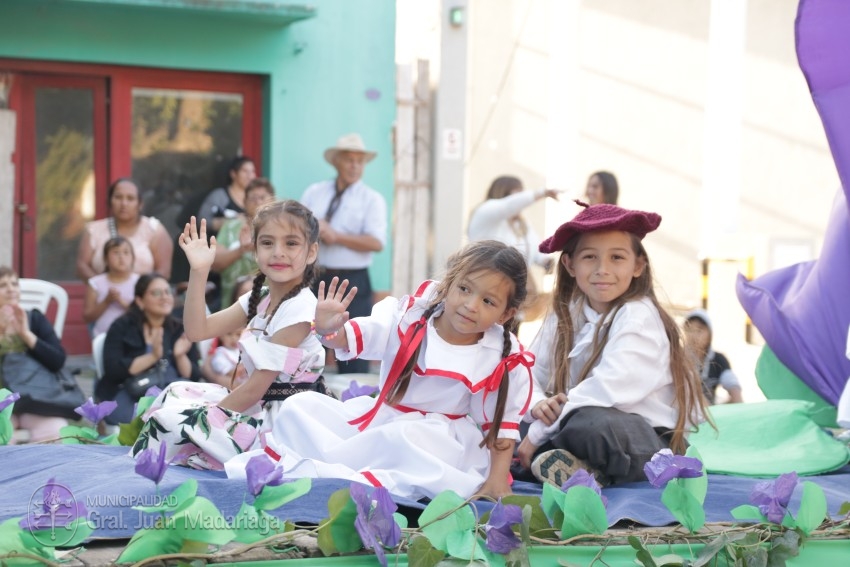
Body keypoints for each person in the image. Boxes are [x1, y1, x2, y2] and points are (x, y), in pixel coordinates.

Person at [233, 240, 534, 501]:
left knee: (406, 438)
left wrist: (497, 479)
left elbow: (499, 424)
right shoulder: (408, 317)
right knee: (300, 406)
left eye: (488, 301)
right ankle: (339, 466)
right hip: (380, 418)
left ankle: (361, 480)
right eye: (464, 289)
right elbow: (356, 336)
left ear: (505, 314)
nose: (470, 305)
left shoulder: (498, 355)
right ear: (449, 283)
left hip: (436, 441)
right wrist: (328, 329)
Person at [517, 202, 709, 488]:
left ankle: (548, 459)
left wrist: (537, 433)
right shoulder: (565, 313)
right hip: (568, 421)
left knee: (591, 424)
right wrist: (537, 406)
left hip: (642, 440)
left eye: (617, 257)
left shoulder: (639, 316)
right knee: (509, 419)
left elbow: (606, 388)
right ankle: (576, 468)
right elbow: (529, 373)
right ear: (569, 264)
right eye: (590, 257)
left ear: (638, 266)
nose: (602, 269)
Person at [130, 201, 327, 471]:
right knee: (174, 392)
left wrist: (204, 418)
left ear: (311, 251)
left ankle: (143, 475)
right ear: (255, 250)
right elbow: (197, 330)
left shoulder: (300, 309)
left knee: (172, 422)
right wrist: (199, 271)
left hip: (281, 424)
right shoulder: (261, 297)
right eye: (267, 243)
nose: (278, 252)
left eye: (291, 243)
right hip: (256, 405)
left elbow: (256, 388)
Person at [301, 133, 387, 374]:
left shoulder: (372, 199)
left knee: (353, 345)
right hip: (316, 277)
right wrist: (316, 231)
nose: (355, 166)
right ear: (337, 162)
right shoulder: (315, 192)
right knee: (307, 346)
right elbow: (298, 229)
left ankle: (354, 392)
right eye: (349, 160)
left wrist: (337, 236)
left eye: (360, 161)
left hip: (353, 281)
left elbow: (376, 242)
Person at [96, 273, 202, 425]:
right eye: (156, 293)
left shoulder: (180, 329)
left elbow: (195, 376)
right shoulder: (122, 327)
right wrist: (152, 356)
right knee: (157, 421)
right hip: (131, 395)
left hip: (172, 397)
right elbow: (113, 370)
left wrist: (180, 356)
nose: (164, 297)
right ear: (140, 301)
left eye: (167, 292)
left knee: (185, 414)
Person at [467, 175, 561, 322]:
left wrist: (545, 261)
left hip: (513, 294)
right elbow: (508, 206)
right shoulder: (486, 212)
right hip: (488, 287)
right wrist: (542, 193)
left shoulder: (521, 224)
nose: (522, 203)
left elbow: (535, 249)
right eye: (517, 195)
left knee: (509, 329)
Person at [0, 266, 71, 442]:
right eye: (3, 285)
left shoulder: (35, 318)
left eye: (14, 284)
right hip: (2, 402)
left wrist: (26, 334)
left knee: (57, 430)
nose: (11, 289)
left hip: (34, 400)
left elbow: (57, 361)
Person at [76, 178, 173, 281]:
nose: (124, 203)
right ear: (110, 201)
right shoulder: (93, 230)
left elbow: (164, 271)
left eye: (130, 198)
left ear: (140, 204)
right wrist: (102, 286)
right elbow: (82, 266)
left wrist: (139, 288)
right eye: (118, 197)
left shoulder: (154, 230)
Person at [211, 177, 275, 307]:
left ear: (272, 202)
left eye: (262, 198)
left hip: (270, 296)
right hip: (231, 298)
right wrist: (241, 250)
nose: (258, 202)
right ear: (244, 202)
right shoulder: (230, 226)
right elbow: (215, 262)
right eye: (253, 198)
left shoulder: (280, 229)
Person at [683, 309, 743, 404]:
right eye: (689, 330)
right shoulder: (678, 359)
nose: (693, 335)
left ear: (710, 335)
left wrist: (736, 401)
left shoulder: (718, 359)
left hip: (710, 410)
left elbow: (732, 385)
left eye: (699, 330)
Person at [83, 236, 140, 338]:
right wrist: (106, 301)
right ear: (106, 259)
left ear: (133, 258)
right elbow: (88, 317)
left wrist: (121, 302)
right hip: (103, 337)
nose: (121, 257)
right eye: (116, 253)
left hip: (133, 337)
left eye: (126, 252)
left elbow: (144, 314)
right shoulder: (95, 283)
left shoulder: (139, 282)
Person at [197, 156, 256, 236]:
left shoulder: (256, 197)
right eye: (245, 171)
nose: (250, 176)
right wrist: (230, 222)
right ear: (233, 174)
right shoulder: (220, 195)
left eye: (252, 171)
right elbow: (202, 220)